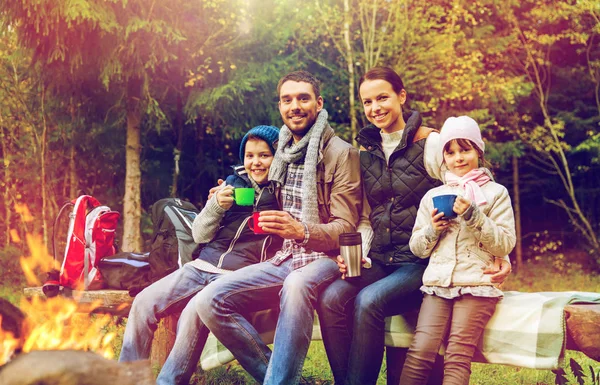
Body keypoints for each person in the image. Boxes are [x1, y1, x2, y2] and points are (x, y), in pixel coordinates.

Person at [316, 67, 512, 385]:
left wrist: (500, 256)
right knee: (332, 299)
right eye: (368, 102)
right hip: (380, 259)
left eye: (383, 98)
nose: (375, 108)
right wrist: (360, 254)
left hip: (421, 261)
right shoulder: (367, 152)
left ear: (401, 97)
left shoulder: (432, 144)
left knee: (369, 300)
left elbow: (472, 189)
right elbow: (367, 216)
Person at [194, 70, 362, 385]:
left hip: (325, 258)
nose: (295, 106)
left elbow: (346, 226)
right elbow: (255, 183)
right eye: (287, 100)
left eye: (303, 98)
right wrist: (222, 194)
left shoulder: (341, 153)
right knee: (208, 299)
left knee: (297, 283)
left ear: (319, 103)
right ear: (280, 106)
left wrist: (302, 231)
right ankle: (280, 377)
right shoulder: (281, 152)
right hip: (283, 257)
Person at [118, 124, 282, 385]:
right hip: (202, 266)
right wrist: (215, 206)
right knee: (143, 303)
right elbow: (199, 234)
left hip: (240, 274)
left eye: (264, 155)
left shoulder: (283, 189)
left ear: (277, 156)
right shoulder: (232, 184)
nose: (256, 162)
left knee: (193, 313)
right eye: (250, 156)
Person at [399, 115, 516, 385]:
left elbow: (504, 244)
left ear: (479, 151)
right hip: (438, 285)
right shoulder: (432, 196)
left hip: (477, 284)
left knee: (457, 354)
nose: (458, 158)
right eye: (450, 152)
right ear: (444, 158)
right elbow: (417, 248)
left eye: (465, 149)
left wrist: (474, 215)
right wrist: (433, 229)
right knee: (420, 351)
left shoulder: (496, 193)